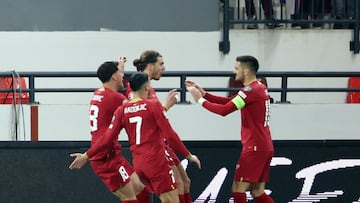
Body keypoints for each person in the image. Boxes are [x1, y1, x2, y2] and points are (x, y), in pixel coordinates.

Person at [69, 72, 201, 203]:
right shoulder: (153, 105)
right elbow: (170, 135)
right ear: (146, 87)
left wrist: (86, 156)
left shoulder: (122, 110)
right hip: (156, 162)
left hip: (139, 165)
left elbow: (106, 138)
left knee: (143, 194)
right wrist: (188, 155)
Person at [186, 55, 275, 203]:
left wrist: (199, 100)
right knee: (257, 191)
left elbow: (224, 111)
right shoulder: (258, 87)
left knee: (238, 189)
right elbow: (229, 102)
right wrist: (205, 94)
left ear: (246, 71)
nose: (235, 72)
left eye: (237, 68)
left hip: (254, 147)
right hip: (263, 145)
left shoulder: (249, 91)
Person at [69, 58, 149, 203]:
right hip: (105, 157)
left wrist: (120, 69)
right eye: (120, 74)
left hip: (111, 154)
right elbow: (134, 105)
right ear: (113, 76)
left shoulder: (99, 93)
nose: (123, 77)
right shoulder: (114, 98)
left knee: (140, 190)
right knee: (129, 198)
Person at [126, 50, 199, 203]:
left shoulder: (148, 89)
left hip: (160, 145)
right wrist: (166, 106)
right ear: (151, 67)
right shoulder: (138, 90)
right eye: (161, 64)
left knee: (185, 183)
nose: (164, 68)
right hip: (153, 151)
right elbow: (144, 118)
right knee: (176, 187)